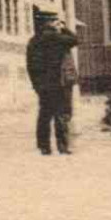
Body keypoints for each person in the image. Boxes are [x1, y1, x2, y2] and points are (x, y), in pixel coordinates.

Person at [25, 8, 79, 155]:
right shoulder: (56, 38)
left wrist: (36, 84)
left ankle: (44, 147)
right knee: (61, 114)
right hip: (60, 83)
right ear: (50, 22)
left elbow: (30, 66)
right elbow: (75, 40)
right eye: (55, 21)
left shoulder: (34, 41)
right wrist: (64, 28)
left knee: (44, 115)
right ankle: (62, 146)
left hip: (44, 85)